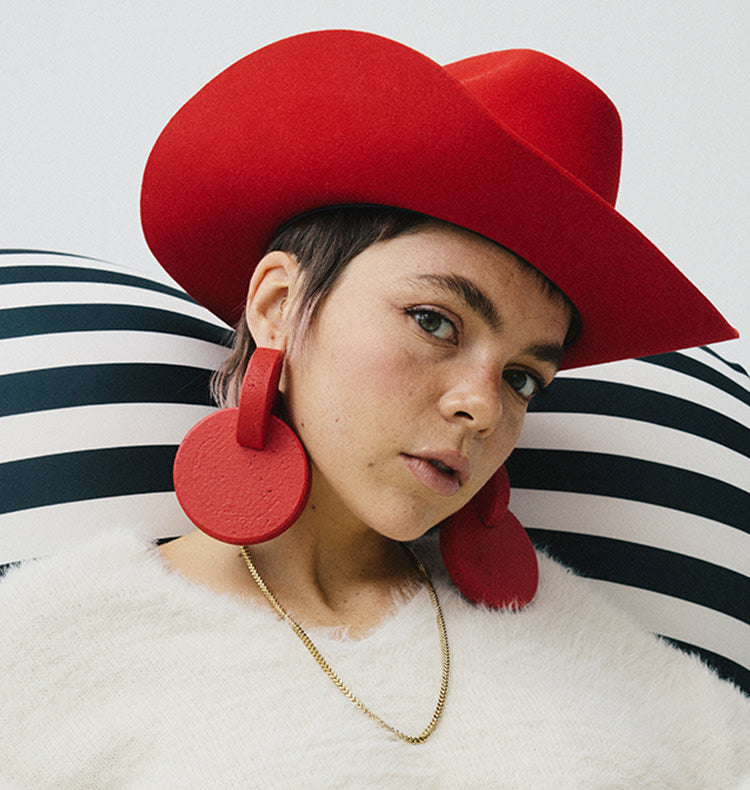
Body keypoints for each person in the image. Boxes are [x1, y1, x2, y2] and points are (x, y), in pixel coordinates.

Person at [1, 29, 748, 788]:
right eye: (435, 321)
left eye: (523, 378)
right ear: (280, 305)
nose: (482, 408)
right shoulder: (50, 653)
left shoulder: (614, 667)